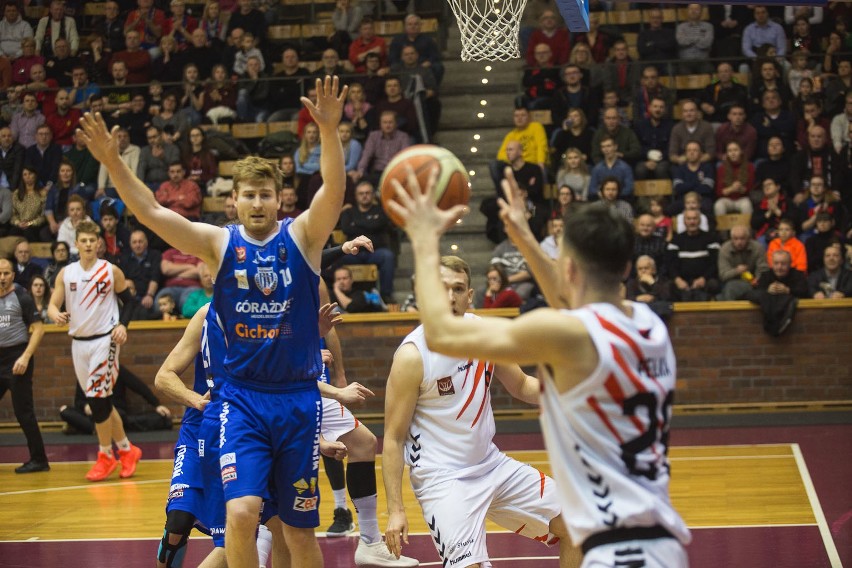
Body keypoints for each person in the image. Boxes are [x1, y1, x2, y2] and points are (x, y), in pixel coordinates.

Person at [78, 76, 348, 568]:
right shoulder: (220, 244)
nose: (259, 203)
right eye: (249, 195)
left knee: (299, 533)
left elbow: (333, 189)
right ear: (235, 201)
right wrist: (113, 163)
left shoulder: (305, 238)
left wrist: (328, 132)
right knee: (242, 514)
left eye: (267, 194)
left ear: (279, 197)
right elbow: (152, 210)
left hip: (297, 399)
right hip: (240, 400)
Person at [387, 163, 691, 563]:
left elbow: (442, 333)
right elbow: (570, 302)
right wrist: (524, 236)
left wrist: (423, 238)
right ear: (628, 268)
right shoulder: (649, 325)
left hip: (614, 546)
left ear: (567, 268)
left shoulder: (566, 334)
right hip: (662, 539)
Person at [383, 254, 578, 567]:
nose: (450, 297)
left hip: (490, 464)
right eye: (442, 289)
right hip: (442, 479)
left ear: (469, 296)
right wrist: (395, 509)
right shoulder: (413, 356)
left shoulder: (483, 334)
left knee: (578, 525)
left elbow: (521, 386)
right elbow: (393, 438)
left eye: (458, 289)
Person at [47, 220, 142, 482]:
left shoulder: (110, 271)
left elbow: (130, 302)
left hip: (105, 339)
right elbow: (52, 305)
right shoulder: (66, 274)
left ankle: (105, 455)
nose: (89, 245)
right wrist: (56, 315)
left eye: (93, 240)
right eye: (84, 241)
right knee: (101, 400)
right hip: (78, 342)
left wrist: (123, 324)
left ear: (98, 243)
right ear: (76, 244)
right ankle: (127, 449)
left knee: (97, 398)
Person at [0, 257, 49, 473]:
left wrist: (25, 357)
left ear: (13, 275)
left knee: (23, 412)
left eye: (6, 274)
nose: (2, 278)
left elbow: (39, 329)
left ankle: (39, 460)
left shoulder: (21, 296)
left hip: (18, 357)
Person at [668, 208, 721, 301]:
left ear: (699, 220)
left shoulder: (711, 239)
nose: (692, 222)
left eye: (695, 218)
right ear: (684, 221)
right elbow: (670, 264)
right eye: (689, 219)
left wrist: (704, 278)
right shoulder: (675, 240)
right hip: (682, 282)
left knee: (714, 284)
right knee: (669, 287)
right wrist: (678, 280)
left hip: (705, 281)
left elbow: (714, 264)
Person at [717, 225, 769, 300]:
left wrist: (757, 280)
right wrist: (737, 271)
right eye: (736, 239)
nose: (739, 242)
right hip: (730, 282)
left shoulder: (758, 248)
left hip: (754, 283)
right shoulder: (725, 249)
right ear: (731, 239)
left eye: (742, 239)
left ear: (748, 238)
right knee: (730, 288)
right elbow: (723, 275)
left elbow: (763, 269)